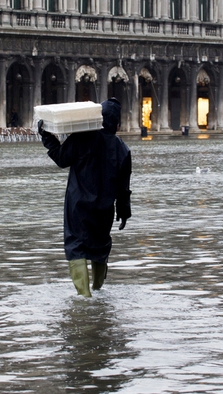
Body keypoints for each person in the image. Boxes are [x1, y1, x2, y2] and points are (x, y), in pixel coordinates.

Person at [38, 98, 132, 297]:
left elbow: (61, 158)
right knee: (100, 246)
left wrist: (46, 135)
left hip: (78, 206)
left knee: (76, 245)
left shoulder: (82, 137)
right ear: (117, 124)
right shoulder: (123, 149)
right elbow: (124, 189)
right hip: (105, 209)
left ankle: (84, 296)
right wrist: (124, 212)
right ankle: (98, 292)